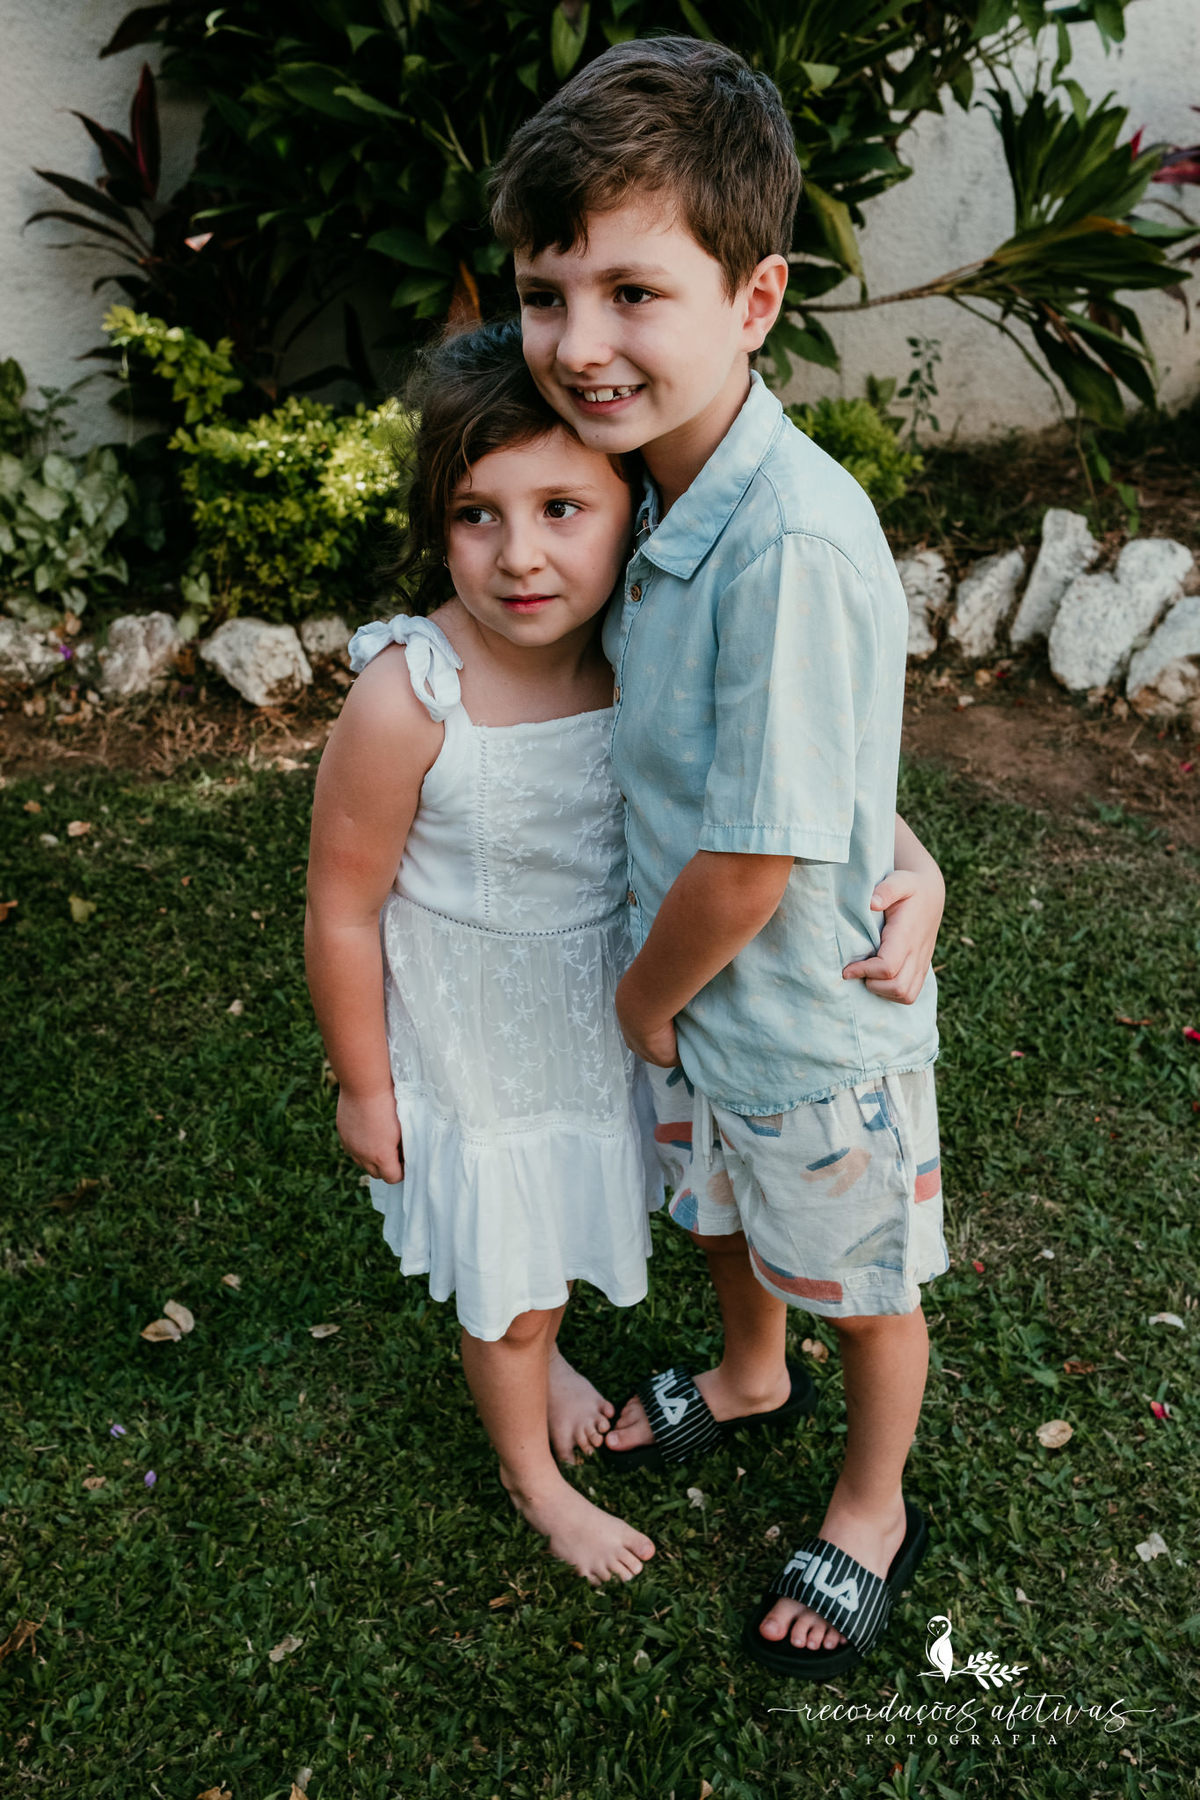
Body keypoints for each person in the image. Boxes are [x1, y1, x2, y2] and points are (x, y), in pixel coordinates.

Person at [305, 319, 943, 1595]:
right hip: (485, 1046)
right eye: (476, 516)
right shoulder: (408, 696)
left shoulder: (637, 649)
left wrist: (916, 865)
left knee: (564, 1230)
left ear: (633, 517)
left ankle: (589, 1362)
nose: (520, 555)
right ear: (436, 526)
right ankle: (535, 1479)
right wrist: (365, 1086)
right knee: (515, 1279)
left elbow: (794, 779)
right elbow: (341, 908)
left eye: (561, 508)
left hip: (611, 1030)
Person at [490, 35, 947, 1675]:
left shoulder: (790, 543)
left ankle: (873, 1504)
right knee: (717, 1216)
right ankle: (751, 1373)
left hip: (796, 1014)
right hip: (695, 1000)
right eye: (547, 295)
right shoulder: (649, 489)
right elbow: (799, 752)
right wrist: (908, 844)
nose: (580, 344)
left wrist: (639, 1004)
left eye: (633, 293)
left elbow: (756, 859)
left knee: (859, 1280)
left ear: (755, 302)